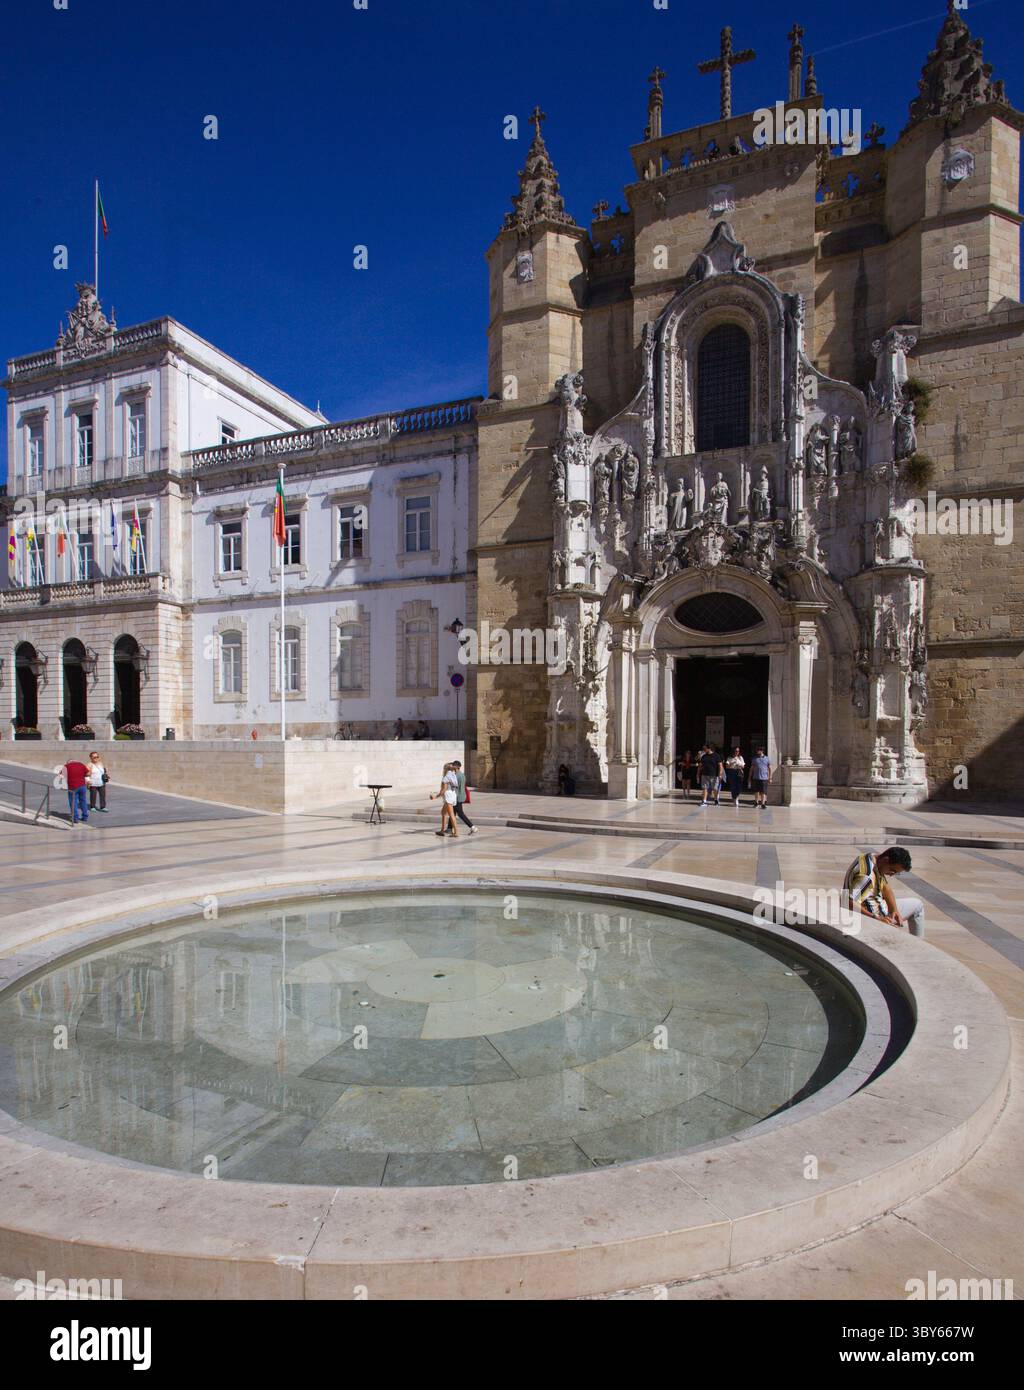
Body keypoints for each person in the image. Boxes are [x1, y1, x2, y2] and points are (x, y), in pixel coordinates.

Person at [843, 846, 925, 938]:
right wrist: (876, 918)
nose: (891, 874)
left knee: (917, 905)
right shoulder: (867, 877)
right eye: (892, 870)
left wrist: (894, 910)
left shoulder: (871, 858)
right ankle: (918, 943)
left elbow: (886, 888)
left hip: (877, 905)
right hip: (872, 915)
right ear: (886, 860)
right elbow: (848, 902)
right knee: (917, 907)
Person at [430, 762, 460, 837]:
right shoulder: (453, 775)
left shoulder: (446, 777)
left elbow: (444, 790)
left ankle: (456, 832)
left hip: (448, 796)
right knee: (443, 812)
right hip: (452, 795)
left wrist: (435, 796)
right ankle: (442, 830)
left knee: (451, 814)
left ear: (445, 769)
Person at [62, 757, 90, 825]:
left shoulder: (66, 766)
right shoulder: (81, 764)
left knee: (73, 802)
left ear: (68, 762)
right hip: (82, 786)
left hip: (73, 787)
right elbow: (88, 773)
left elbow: (61, 776)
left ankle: (75, 818)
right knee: (83, 801)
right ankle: (85, 817)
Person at [451, 760, 476, 834]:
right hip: (460, 796)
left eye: (453, 765)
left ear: (457, 766)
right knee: (452, 812)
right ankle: (449, 828)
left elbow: (456, 788)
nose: (452, 766)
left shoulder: (457, 776)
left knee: (460, 814)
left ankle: (472, 827)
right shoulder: (461, 775)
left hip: (457, 797)